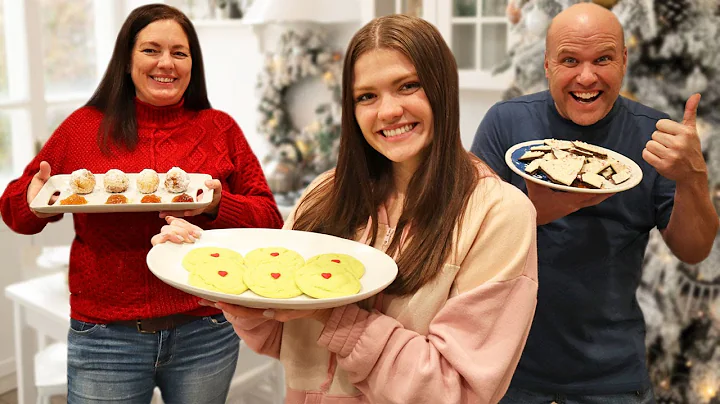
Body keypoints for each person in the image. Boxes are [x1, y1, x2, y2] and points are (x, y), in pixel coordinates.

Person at [155, 14, 538, 403]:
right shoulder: (327, 193)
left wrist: (332, 314)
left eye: (408, 86)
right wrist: (215, 271)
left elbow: (456, 391)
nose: (387, 111)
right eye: (366, 96)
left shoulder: (498, 215)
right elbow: (280, 339)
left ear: (442, 88)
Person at [0, 4, 283, 403]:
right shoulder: (83, 128)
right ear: (127, 59)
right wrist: (32, 199)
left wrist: (217, 206)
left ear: (192, 64)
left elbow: (269, 218)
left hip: (206, 330)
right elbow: (17, 214)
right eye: (151, 50)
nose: (166, 63)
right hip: (105, 336)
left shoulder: (220, 129)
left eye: (179, 52)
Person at [470, 3, 718, 403]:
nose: (587, 77)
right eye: (570, 60)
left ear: (623, 61)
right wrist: (531, 214)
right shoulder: (506, 123)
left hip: (612, 375)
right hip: (507, 368)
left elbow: (693, 250)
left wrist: (693, 178)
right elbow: (462, 240)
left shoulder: (654, 135)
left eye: (603, 59)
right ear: (548, 66)